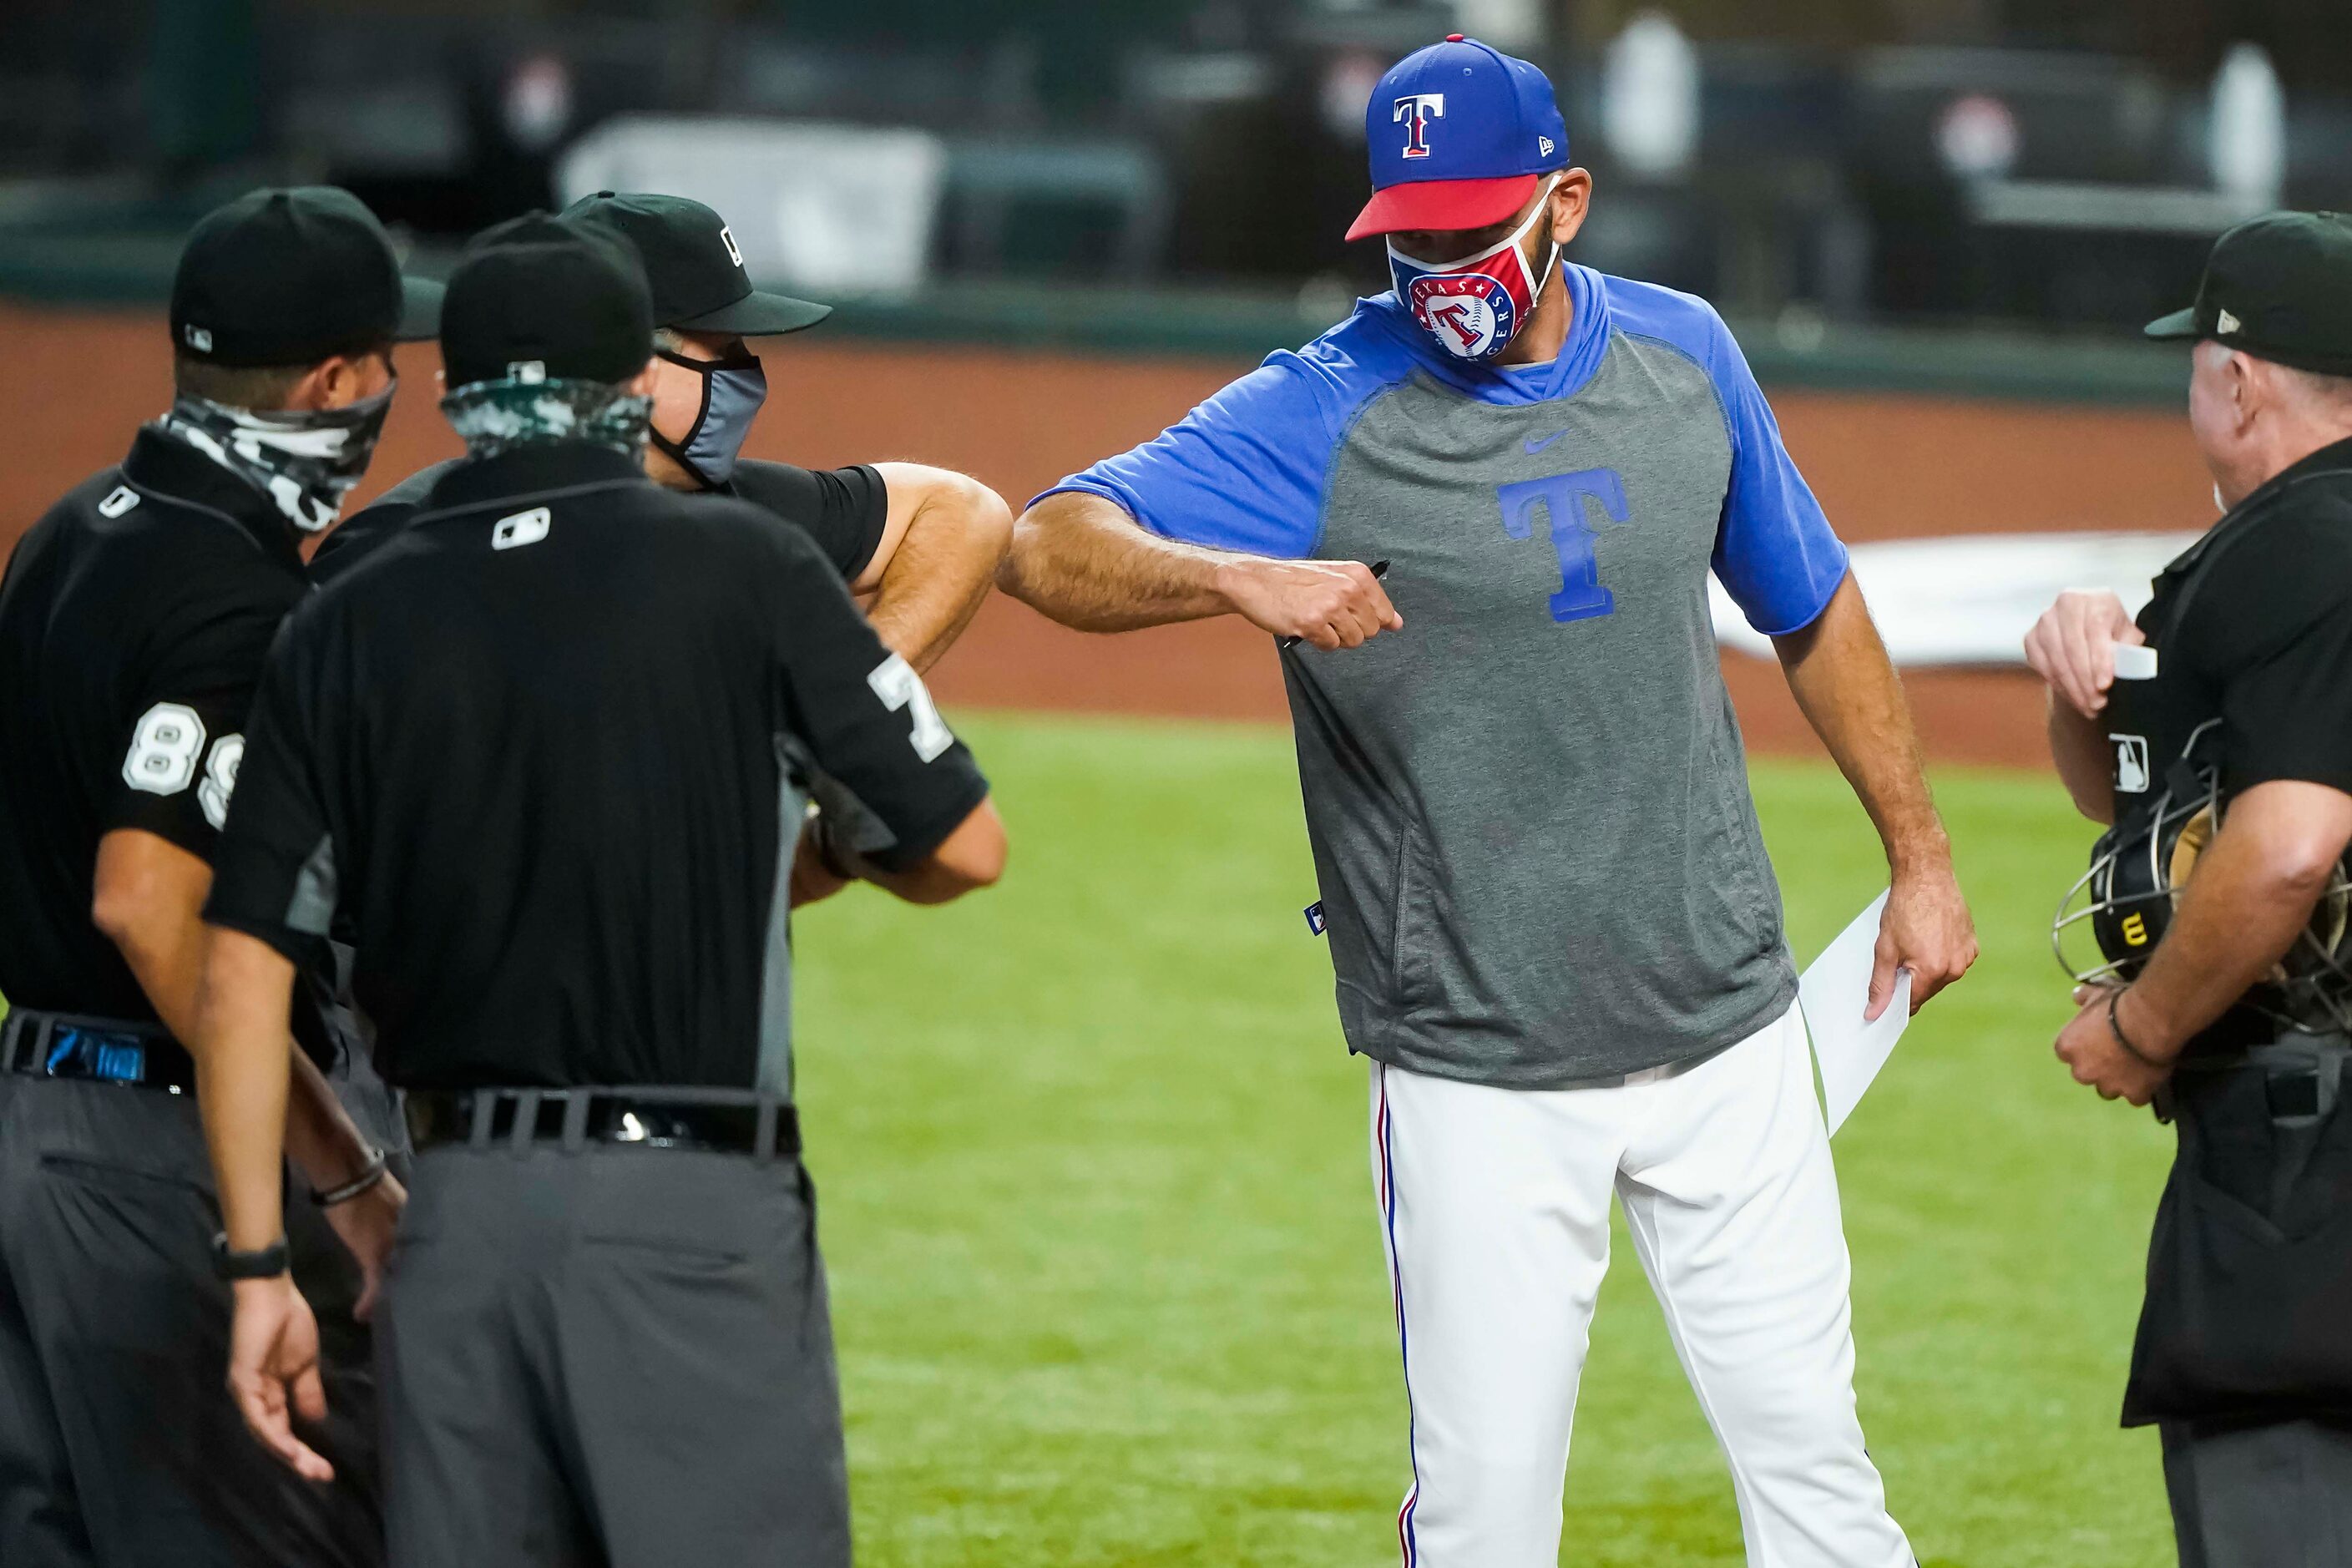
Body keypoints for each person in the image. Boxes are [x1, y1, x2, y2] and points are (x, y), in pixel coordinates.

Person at [999, 35, 1976, 1568]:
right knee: (1483, 1516)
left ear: (1565, 201)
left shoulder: (1683, 355)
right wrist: (1228, 574)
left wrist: (1918, 857)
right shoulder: (1320, 403)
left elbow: (1812, 605)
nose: (1438, 266)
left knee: (1821, 1479)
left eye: (1470, 230)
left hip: (1727, 1028)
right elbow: (1044, 543)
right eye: (1411, 236)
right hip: (1477, 1059)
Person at [191, 212, 1006, 1568]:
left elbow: (240, 966)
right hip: (683, 1206)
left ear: (451, 393)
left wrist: (264, 1258)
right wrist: (783, 835)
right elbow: (961, 845)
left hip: (443, 1211)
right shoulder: (745, 563)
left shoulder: (350, 601)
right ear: (635, 379)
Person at [0, 186, 432, 1567]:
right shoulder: (239, 603)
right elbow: (149, 901)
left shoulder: (72, 533)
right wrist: (344, 1171)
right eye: (380, 363)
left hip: (33, 1120)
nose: (392, 390)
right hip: (167, 1154)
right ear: (324, 381)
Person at [2029, 210, 2352, 1565]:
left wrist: (2143, 1027)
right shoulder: (2279, 553)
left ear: (2236, 375)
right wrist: (2081, 674)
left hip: (2302, 1160)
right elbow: (2137, 797)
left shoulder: (2297, 548)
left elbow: (2283, 842)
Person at [317, 190, 1009, 672]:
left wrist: (854, 708)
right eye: (722, 346)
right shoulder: (402, 550)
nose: (748, 373)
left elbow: (963, 512)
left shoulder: (730, 508)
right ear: (632, 360)